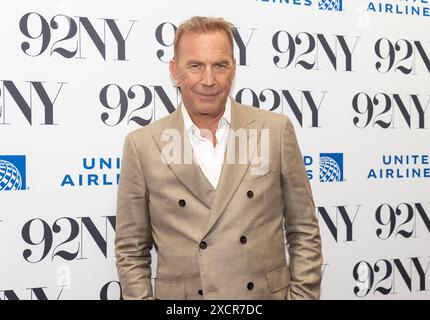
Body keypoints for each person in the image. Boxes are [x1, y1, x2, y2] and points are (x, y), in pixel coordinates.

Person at [115, 16, 322, 300]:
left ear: (233, 69)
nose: (209, 80)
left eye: (220, 65)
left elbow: (304, 229)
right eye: (195, 65)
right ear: (175, 71)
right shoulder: (142, 145)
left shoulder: (275, 130)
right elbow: (131, 249)